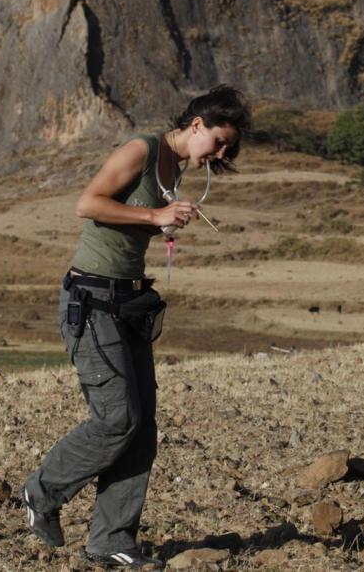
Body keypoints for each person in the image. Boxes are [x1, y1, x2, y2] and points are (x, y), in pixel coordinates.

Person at [21, 85, 252, 569]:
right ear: (196, 126)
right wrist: (155, 214)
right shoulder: (141, 150)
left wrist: (156, 228)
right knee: (116, 419)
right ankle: (41, 493)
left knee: (141, 428)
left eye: (229, 148)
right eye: (219, 142)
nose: (222, 153)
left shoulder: (174, 167)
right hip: (92, 299)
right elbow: (88, 204)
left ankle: (110, 540)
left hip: (130, 302)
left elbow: (127, 221)